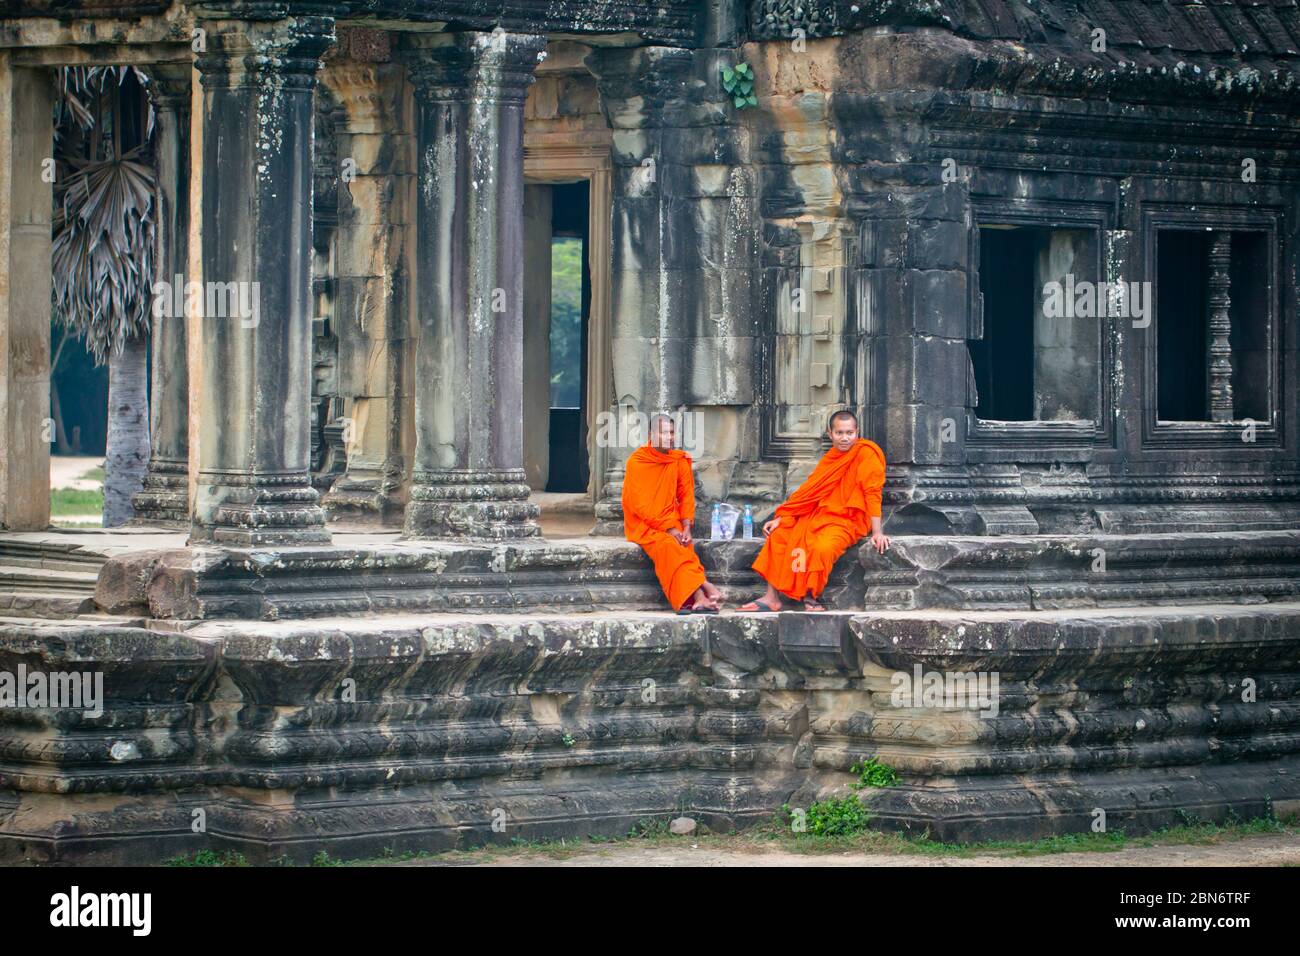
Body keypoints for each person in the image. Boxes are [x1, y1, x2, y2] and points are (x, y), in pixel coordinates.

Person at [739, 409, 889, 612]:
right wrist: (783, 517)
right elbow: (809, 491)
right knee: (780, 534)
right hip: (818, 514)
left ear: (857, 432)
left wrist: (877, 532)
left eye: (849, 433)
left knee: (822, 547)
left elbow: (873, 493)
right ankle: (772, 597)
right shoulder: (832, 457)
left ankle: (810, 595)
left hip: (847, 519)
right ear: (830, 434)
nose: (845, 438)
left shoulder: (866, 453)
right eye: (839, 433)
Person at [622, 414, 724, 613]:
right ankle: (703, 589)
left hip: (672, 521)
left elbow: (686, 495)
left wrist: (686, 527)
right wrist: (669, 528)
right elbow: (639, 504)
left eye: (671, 432)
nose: (670, 437)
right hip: (644, 525)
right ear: (652, 434)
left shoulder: (678, 459)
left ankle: (700, 597)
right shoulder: (637, 461)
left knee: (684, 545)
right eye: (664, 433)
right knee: (669, 546)